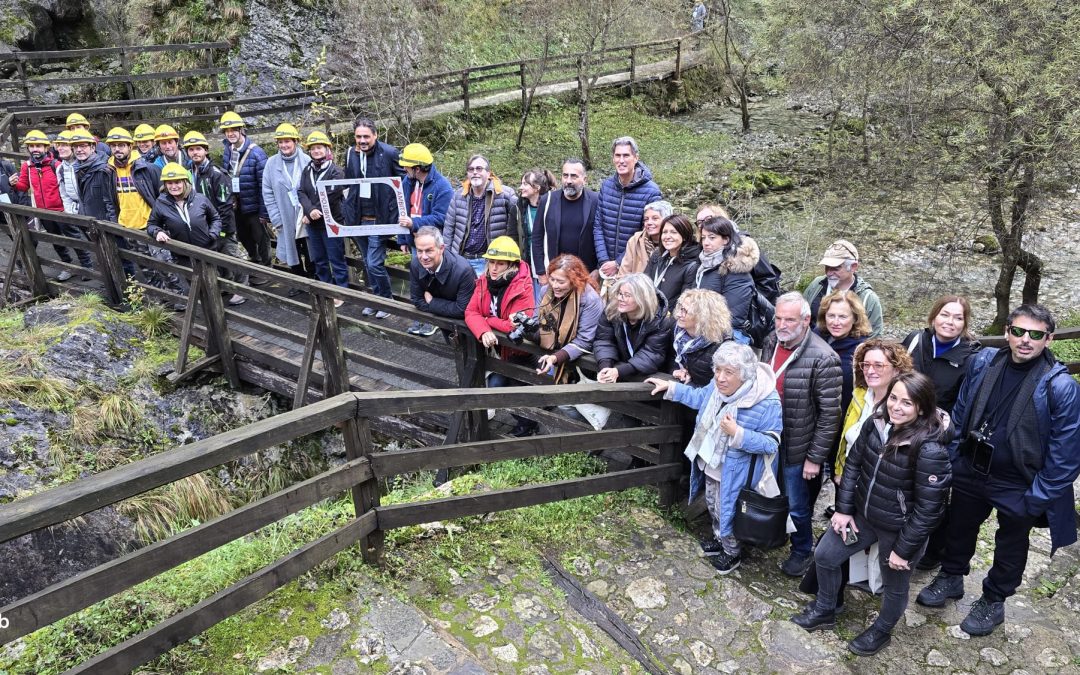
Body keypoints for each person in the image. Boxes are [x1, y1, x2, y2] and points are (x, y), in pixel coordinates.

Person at [916, 304, 1080, 637]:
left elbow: (1066, 453)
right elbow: (960, 413)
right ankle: (951, 577)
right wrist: (953, 457)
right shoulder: (983, 362)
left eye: (1035, 335)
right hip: (972, 466)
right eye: (1018, 331)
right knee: (958, 527)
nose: (1025, 341)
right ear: (1007, 332)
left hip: (1019, 480)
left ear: (1048, 340)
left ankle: (994, 599)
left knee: (1010, 544)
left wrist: (1037, 498)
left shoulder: (1060, 386)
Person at [791, 372, 951, 657]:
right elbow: (853, 465)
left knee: (894, 585)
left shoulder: (930, 449)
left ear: (922, 408)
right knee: (825, 555)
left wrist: (904, 550)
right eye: (893, 398)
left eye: (907, 403)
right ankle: (826, 608)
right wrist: (843, 509)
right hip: (863, 516)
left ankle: (882, 631)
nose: (896, 407)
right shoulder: (876, 423)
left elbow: (930, 509)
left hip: (898, 530)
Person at [647, 342, 783, 573]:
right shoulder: (718, 387)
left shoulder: (766, 401)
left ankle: (732, 553)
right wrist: (670, 388)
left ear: (744, 375)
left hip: (736, 471)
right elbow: (700, 397)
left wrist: (738, 434)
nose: (720, 378)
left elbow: (771, 443)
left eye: (728, 372)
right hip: (711, 460)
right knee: (713, 504)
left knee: (727, 509)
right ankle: (720, 540)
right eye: (717, 370)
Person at [760, 292, 842, 577]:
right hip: (767, 435)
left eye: (789, 320)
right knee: (767, 492)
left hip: (798, 444)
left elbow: (831, 415)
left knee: (798, 503)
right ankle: (770, 534)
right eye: (778, 318)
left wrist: (815, 458)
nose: (782, 325)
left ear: (806, 320)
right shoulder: (771, 342)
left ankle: (802, 549)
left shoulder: (824, 358)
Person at [902, 295, 982, 571]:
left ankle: (933, 549)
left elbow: (967, 404)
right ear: (933, 317)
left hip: (938, 436)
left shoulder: (970, 357)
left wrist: (950, 436)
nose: (950, 322)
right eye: (945, 315)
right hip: (903, 426)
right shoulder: (915, 340)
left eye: (958, 317)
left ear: (965, 323)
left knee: (932, 495)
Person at [463, 236, 537, 437]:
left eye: (500, 263)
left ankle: (529, 424)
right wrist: (484, 330)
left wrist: (488, 319)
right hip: (498, 350)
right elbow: (471, 312)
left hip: (519, 352)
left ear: (511, 265)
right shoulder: (484, 281)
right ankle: (526, 421)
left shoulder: (523, 286)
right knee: (496, 386)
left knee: (517, 390)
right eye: (492, 262)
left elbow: (513, 325)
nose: (494, 268)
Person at [10, 129, 93, 278]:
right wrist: (14, 184)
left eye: (39, 146)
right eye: (32, 146)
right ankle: (67, 266)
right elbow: (23, 185)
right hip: (42, 212)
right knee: (56, 241)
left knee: (74, 238)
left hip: (61, 211)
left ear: (46, 148)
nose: (35, 149)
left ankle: (87, 267)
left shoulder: (56, 165)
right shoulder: (27, 166)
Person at [342, 117, 403, 317]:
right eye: (358, 136)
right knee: (368, 263)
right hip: (358, 217)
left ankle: (387, 301)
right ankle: (377, 300)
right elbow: (348, 183)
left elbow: (403, 183)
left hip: (381, 217)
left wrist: (398, 213)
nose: (362, 140)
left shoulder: (389, 153)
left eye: (366, 136)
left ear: (375, 135)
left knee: (374, 263)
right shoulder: (350, 153)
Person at [396, 142, 454, 335]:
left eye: (407, 166)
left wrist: (414, 223)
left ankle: (434, 320)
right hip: (415, 242)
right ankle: (421, 318)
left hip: (433, 245)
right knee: (419, 281)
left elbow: (442, 218)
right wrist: (404, 239)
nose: (404, 168)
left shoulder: (442, 187)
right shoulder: (407, 182)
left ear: (417, 168)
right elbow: (404, 211)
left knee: (435, 282)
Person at [183, 130, 245, 306]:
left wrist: (222, 230)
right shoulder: (188, 172)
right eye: (191, 149)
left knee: (231, 257)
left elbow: (226, 205)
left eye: (198, 149)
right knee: (215, 260)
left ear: (205, 150)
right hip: (202, 227)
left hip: (222, 225)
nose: (195, 153)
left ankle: (242, 288)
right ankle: (226, 285)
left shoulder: (216, 173)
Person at [147, 162, 223, 296]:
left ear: (185, 182)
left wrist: (212, 234)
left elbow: (215, 218)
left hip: (207, 250)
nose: (174, 186)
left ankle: (217, 311)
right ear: (165, 185)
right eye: (169, 183)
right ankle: (205, 310)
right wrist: (157, 232)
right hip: (183, 254)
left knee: (212, 284)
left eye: (177, 182)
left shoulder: (200, 199)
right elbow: (152, 224)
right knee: (196, 286)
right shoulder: (161, 203)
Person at [593, 137, 662, 279]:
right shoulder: (606, 187)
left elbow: (648, 233)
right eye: (617, 155)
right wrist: (604, 260)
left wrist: (618, 263)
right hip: (605, 266)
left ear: (636, 158)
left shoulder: (651, 191)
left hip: (634, 265)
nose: (621, 160)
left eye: (626, 155)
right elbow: (598, 226)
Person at [443, 154, 518, 277]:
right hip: (461, 260)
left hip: (491, 262)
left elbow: (519, 221)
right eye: (471, 169)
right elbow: (449, 228)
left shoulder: (504, 194)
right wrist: (448, 257)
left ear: (488, 173)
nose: (475, 172)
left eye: (479, 169)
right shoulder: (458, 196)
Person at [533, 254, 604, 384]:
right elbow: (536, 321)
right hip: (547, 349)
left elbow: (585, 339)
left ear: (575, 280)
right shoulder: (545, 291)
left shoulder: (590, 300)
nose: (554, 286)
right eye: (552, 279)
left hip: (580, 358)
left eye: (561, 282)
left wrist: (556, 357)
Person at [220, 111, 272, 285]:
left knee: (260, 237)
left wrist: (264, 212)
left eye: (234, 129)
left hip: (254, 205)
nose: (231, 133)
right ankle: (255, 261)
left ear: (242, 129)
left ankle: (266, 268)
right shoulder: (227, 150)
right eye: (227, 130)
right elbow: (226, 175)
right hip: (236, 204)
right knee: (243, 235)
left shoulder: (257, 153)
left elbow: (264, 185)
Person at [594, 273, 675, 383]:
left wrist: (619, 371)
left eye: (627, 295)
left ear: (642, 298)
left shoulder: (661, 319)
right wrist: (605, 367)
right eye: (620, 293)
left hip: (652, 379)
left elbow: (652, 354)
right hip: (622, 370)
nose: (620, 298)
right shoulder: (612, 310)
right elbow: (604, 340)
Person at [105, 127, 162, 281]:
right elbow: (109, 200)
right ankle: (165, 299)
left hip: (149, 225)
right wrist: (114, 223)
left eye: (121, 145)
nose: (117, 149)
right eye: (113, 146)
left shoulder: (148, 168)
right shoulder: (109, 172)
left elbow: (160, 197)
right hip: (127, 227)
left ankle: (181, 299)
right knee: (145, 267)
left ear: (130, 146)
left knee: (165, 265)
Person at [296, 130, 348, 297]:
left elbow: (332, 194)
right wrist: (310, 210)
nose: (316, 151)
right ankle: (326, 290)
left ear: (327, 149)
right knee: (319, 259)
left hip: (332, 223)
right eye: (313, 148)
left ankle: (341, 292)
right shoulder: (307, 170)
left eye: (319, 148)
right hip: (313, 224)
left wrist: (313, 210)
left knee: (336, 259)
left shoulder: (336, 171)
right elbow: (301, 192)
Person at [696, 203, 781, 303]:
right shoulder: (704, 248)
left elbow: (767, 279)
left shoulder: (744, 245)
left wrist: (749, 302)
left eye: (708, 219)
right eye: (699, 222)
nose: (703, 224)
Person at [261, 122, 311, 290]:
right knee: (292, 250)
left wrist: (311, 213)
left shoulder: (307, 160)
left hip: (305, 215)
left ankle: (313, 282)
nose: (284, 145)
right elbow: (267, 193)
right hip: (285, 215)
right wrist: (276, 219)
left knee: (310, 249)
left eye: (287, 141)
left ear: (295, 141)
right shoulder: (271, 164)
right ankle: (298, 282)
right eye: (280, 142)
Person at [694, 215, 759, 344]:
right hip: (698, 331)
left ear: (725, 239)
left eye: (712, 238)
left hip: (723, 340)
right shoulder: (704, 266)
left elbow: (733, 318)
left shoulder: (737, 273)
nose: (706, 242)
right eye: (703, 238)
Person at [803, 240, 884, 337]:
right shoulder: (817, 285)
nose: (829, 272)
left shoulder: (868, 298)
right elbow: (801, 318)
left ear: (853, 267)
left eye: (836, 268)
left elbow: (874, 337)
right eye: (827, 267)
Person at [532, 159, 598, 276]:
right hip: (555, 274)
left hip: (586, 274)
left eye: (574, 176)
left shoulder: (595, 201)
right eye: (565, 175)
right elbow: (537, 237)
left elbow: (602, 236)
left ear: (585, 180)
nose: (568, 181)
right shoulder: (547, 201)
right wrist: (541, 272)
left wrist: (598, 268)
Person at [817, 290, 873, 417]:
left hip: (842, 417)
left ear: (855, 318)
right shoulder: (814, 338)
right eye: (831, 316)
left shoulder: (863, 351)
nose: (836, 322)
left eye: (843, 317)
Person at [409, 225, 476, 324]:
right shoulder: (416, 264)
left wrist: (432, 302)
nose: (423, 257)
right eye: (419, 251)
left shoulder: (463, 271)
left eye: (429, 251)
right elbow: (417, 300)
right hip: (441, 319)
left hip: (464, 325)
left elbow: (463, 309)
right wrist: (446, 308)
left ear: (441, 248)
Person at [671, 289, 733, 388]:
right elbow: (669, 359)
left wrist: (688, 385)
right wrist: (677, 371)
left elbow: (718, 389)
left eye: (685, 311)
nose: (678, 314)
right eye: (680, 308)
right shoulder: (678, 333)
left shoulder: (722, 347)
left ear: (703, 317)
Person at [643, 213, 700, 309]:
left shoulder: (692, 266)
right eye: (664, 232)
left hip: (668, 320)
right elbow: (643, 283)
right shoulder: (657, 255)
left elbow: (683, 304)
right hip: (647, 313)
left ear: (685, 236)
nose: (667, 236)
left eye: (673, 232)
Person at [517, 167, 557, 302]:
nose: (520, 187)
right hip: (528, 263)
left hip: (548, 262)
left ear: (537, 188)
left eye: (525, 184)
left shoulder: (552, 207)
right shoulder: (519, 207)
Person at [619, 200, 672, 277]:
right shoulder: (635, 240)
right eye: (646, 219)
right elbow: (623, 273)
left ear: (666, 220)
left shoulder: (672, 243)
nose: (649, 223)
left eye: (655, 218)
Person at [53, 130, 80, 215]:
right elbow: (64, 195)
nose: (60, 148)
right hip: (74, 211)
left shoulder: (84, 165)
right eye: (58, 145)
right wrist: (70, 212)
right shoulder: (60, 169)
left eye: (64, 145)